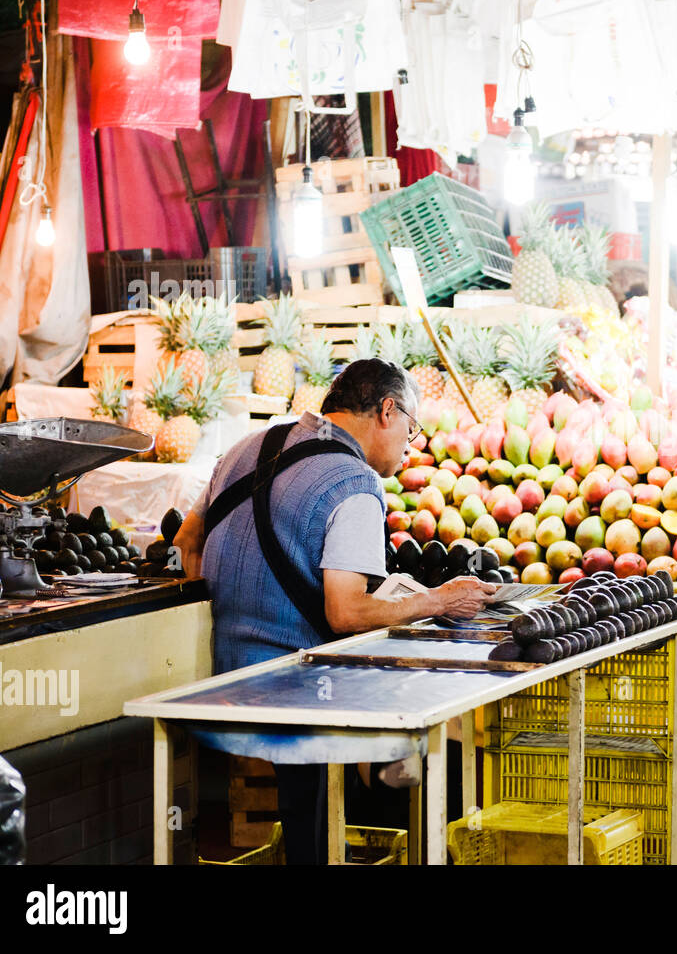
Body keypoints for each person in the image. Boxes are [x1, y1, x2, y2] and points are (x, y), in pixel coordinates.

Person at [172, 359, 496, 863]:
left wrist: (229, 603)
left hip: (212, 684)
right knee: (424, 717)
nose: (413, 443)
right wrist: (439, 600)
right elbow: (345, 613)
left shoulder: (242, 449)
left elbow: (185, 539)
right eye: (412, 427)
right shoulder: (355, 483)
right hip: (291, 695)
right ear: (387, 410)